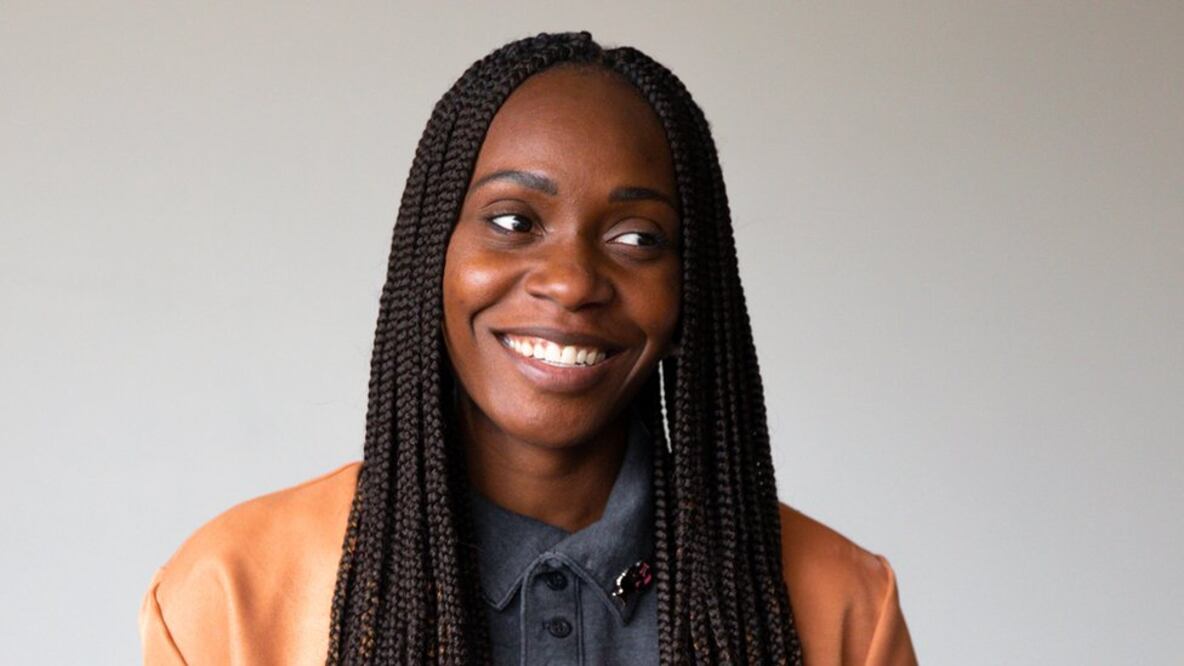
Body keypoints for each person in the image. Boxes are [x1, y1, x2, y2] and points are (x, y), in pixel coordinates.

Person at [138, 31, 917, 665]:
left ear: (691, 294)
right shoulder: (231, 596)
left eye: (637, 237)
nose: (573, 281)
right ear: (430, 258)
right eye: (513, 222)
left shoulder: (842, 609)